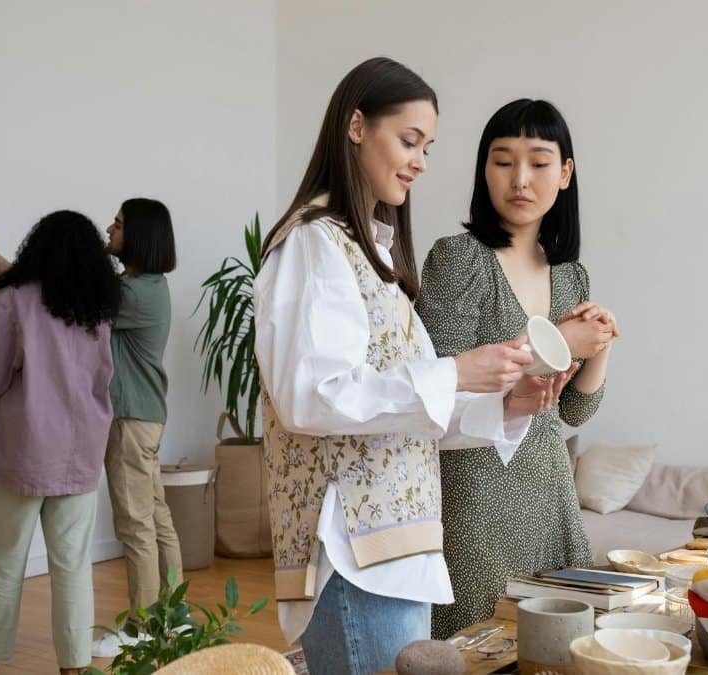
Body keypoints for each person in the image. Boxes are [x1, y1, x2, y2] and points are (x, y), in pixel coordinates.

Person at [255, 57, 566, 675]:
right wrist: (455, 372)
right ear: (356, 127)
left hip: (397, 548)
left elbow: (408, 418)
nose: (421, 160)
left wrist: (503, 405)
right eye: (409, 140)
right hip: (353, 550)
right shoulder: (314, 243)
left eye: (428, 146)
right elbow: (312, 398)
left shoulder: (374, 255)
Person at [416, 98, 618, 639]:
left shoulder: (572, 275)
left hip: (550, 489)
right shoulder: (458, 258)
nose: (520, 179)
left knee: (558, 647)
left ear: (566, 173)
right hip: (475, 490)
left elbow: (573, 410)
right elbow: (442, 379)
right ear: (485, 171)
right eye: (503, 161)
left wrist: (599, 345)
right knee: (477, 645)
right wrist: (560, 341)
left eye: (538, 161)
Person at [0, 210, 121, 675]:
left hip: (22, 452)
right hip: (79, 454)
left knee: (1, 562)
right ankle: (74, 667)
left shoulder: (14, 301)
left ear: (39, 249)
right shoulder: (95, 309)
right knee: (73, 566)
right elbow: (101, 380)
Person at [91, 198, 183, 658]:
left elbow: (75, 302)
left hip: (130, 420)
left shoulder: (133, 293)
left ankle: (142, 627)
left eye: (120, 224)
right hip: (146, 417)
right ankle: (174, 617)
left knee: (134, 525)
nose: (110, 228)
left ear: (139, 236)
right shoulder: (147, 285)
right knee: (156, 518)